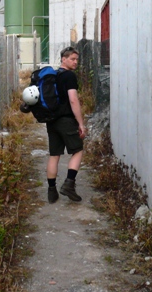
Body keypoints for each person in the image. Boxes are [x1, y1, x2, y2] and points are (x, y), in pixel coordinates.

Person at [46, 46, 87, 203]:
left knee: (54, 155)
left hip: (52, 120)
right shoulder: (69, 76)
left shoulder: (53, 75)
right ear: (64, 59)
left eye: (77, 59)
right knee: (77, 150)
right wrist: (81, 123)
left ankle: (51, 190)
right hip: (66, 120)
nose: (75, 62)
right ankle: (69, 184)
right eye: (72, 59)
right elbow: (73, 99)